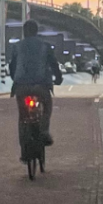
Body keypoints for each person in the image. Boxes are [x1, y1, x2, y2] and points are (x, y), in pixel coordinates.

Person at [9, 19, 62, 147]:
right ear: (36, 32)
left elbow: (12, 66)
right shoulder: (45, 46)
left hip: (22, 86)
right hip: (41, 85)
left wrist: (15, 79)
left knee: (22, 113)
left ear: (24, 32)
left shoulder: (17, 46)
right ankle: (44, 131)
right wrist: (58, 78)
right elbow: (54, 64)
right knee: (47, 106)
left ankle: (24, 143)